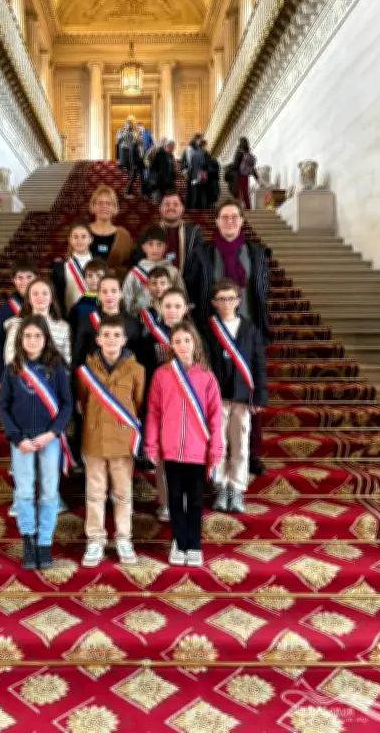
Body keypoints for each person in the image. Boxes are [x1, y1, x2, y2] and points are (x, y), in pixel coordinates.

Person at [200, 199, 271, 476]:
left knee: (249, 392)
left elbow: (261, 291)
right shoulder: (204, 253)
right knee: (218, 397)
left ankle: (251, 454)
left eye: (234, 217)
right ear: (217, 221)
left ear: (242, 220)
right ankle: (218, 454)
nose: (229, 221)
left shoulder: (256, 252)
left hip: (248, 331)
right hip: (215, 332)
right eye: (224, 217)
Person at [145, 322, 223, 567]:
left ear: (195, 343)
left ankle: (194, 543)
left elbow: (216, 417)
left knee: (196, 500)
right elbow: (153, 412)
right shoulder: (161, 375)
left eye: (186, 340)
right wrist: (151, 444)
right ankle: (179, 541)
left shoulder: (207, 376)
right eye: (177, 341)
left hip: (198, 451)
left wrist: (216, 448)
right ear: (171, 345)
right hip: (171, 450)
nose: (182, 346)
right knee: (175, 499)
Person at [0, 315, 72, 570]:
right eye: (27, 336)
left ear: (46, 338)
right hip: (21, 441)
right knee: (25, 492)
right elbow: (3, 407)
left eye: (37, 336)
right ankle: (28, 539)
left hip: (49, 439)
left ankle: (44, 542)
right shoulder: (12, 369)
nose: (32, 340)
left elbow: (66, 405)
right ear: (20, 339)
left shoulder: (57, 367)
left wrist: (52, 433)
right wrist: (17, 438)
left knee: (50, 491)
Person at [77, 316, 145, 567]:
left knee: (123, 493)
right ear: (98, 340)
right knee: (95, 493)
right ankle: (95, 539)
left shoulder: (137, 370)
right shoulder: (86, 370)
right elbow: (83, 402)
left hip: (122, 440)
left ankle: (124, 538)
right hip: (94, 438)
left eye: (117, 335)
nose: (111, 340)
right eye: (106, 335)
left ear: (125, 340)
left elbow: (138, 403)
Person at [205, 280, 268, 513]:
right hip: (217, 396)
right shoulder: (207, 329)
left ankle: (237, 487)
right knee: (218, 443)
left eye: (231, 298)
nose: (226, 303)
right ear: (214, 302)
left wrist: (260, 395)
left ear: (239, 301)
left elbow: (259, 364)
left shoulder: (250, 329)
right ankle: (220, 486)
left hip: (243, 395)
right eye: (221, 299)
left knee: (241, 443)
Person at [137, 287, 192, 523]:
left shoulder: (194, 337)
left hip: (190, 405)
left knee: (188, 454)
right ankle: (167, 502)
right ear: (159, 308)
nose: (172, 311)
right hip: (161, 405)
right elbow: (144, 374)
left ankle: (186, 499)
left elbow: (205, 370)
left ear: (185, 308)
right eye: (167, 306)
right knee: (164, 456)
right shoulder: (149, 338)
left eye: (177, 306)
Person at [133, 194, 206, 321]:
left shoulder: (194, 232)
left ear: (182, 208)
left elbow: (199, 265)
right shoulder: (148, 233)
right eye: (167, 204)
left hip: (186, 293)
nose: (171, 207)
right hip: (153, 295)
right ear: (160, 208)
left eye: (175, 204)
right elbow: (140, 261)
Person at [72, 272, 140, 371]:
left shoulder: (133, 324)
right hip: (94, 376)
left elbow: (139, 359)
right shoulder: (87, 321)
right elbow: (78, 357)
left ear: (121, 294)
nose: (109, 295)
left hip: (125, 376)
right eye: (104, 291)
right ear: (99, 295)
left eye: (114, 291)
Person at [5, 278, 71, 370]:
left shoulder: (63, 327)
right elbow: (10, 357)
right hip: (24, 376)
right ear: (29, 299)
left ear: (52, 298)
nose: (40, 297)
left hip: (53, 376)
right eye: (35, 293)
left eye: (45, 293)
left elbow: (67, 360)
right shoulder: (17, 324)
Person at [0, 257, 38, 384]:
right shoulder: (6, 308)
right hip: (16, 368)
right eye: (20, 278)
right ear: (13, 280)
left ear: (37, 278)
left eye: (29, 277)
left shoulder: (45, 302)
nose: (25, 282)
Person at [122, 225, 185, 316]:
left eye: (159, 244)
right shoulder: (135, 273)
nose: (155, 248)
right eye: (150, 244)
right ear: (144, 247)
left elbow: (181, 296)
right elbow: (126, 298)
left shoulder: (173, 271)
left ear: (165, 247)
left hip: (168, 317)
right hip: (140, 317)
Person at [88, 186, 133, 279]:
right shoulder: (83, 231)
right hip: (85, 283)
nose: (104, 206)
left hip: (114, 284)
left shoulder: (123, 235)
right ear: (93, 206)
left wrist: (113, 273)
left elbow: (130, 266)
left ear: (114, 207)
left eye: (108, 203)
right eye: (100, 203)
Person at [51, 223, 94, 317]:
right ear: (69, 240)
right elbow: (57, 296)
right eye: (75, 237)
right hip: (70, 316)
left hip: (96, 316)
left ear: (90, 239)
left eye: (83, 236)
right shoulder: (60, 267)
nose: (79, 240)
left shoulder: (101, 263)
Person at [67, 259, 107, 339]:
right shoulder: (77, 307)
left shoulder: (111, 302)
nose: (94, 279)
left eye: (99, 275)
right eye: (90, 276)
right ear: (84, 279)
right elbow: (73, 332)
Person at [230, 136, 259, 210]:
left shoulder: (239, 152)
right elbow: (252, 168)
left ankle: (238, 208)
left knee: (238, 192)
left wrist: (230, 168)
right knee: (245, 193)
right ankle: (248, 208)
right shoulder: (248, 153)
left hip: (239, 175)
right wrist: (257, 178)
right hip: (246, 175)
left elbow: (235, 165)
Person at [148, 139, 176, 204]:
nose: (173, 149)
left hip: (169, 182)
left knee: (168, 201)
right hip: (158, 182)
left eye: (173, 148)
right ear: (168, 146)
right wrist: (154, 179)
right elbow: (152, 168)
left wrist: (173, 177)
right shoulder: (159, 154)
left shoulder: (171, 156)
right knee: (158, 202)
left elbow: (171, 168)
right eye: (172, 147)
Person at [181, 133, 202, 209]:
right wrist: (185, 173)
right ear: (196, 139)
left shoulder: (199, 149)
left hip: (198, 173)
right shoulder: (188, 149)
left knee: (197, 192)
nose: (201, 141)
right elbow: (184, 162)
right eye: (200, 139)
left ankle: (195, 209)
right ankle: (190, 209)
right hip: (190, 173)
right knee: (191, 192)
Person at [125, 128, 146, 198]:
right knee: (132, 179)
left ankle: (142, 193)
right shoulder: (133, 145)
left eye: (142, 136)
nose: (141, 138)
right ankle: (127, 193)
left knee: (142, 179)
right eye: (140, 136)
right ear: (137, 137)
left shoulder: (142, 145)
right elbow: (131, 156)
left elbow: (143, 155)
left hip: (141, 165)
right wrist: (133, 165)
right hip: (135, 165)